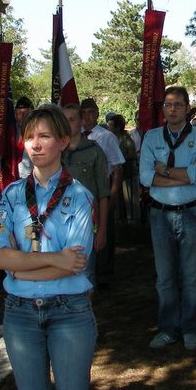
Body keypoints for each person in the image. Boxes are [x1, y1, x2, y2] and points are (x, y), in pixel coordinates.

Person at [0, 105, 96, 390]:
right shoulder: (10, 195)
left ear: (62, 142)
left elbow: (74, 264)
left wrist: (21, 268)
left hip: (69, 312)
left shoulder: (79, 197)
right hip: (19, 313)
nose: (35, 144)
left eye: (44, 136)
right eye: (29, 137)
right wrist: (52, 259)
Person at [140, 86, 196, 350]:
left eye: (178, 105)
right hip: (160, 215)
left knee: (192, 276)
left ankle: (191, 328)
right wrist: (183, 175)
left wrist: (165, 172)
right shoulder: (151, 137)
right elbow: (145, 177)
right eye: (168, 104)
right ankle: (168, 328)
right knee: (165, 277)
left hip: (192, 212)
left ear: (187, 108)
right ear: (163, 110)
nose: (172, 109)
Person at [62, 103, 110, 288]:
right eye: (63, 120)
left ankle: (83, 314)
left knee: (85, 274)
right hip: (58, 222)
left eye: (72, 120)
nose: (67, 124)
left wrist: (102, 230)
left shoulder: (94, 151)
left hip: (86, 223)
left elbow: (103, 194)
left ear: (82, 121)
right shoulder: (55, 151)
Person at [80, 97, 125, 286]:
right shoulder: (76, 135)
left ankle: (105, 272)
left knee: (104, 230)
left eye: (94, 111)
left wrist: (113, 194)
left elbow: (117, 167)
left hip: (102, 188)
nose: (91, 115)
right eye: (86, 112)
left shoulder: (106, 136)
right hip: (81, 190)